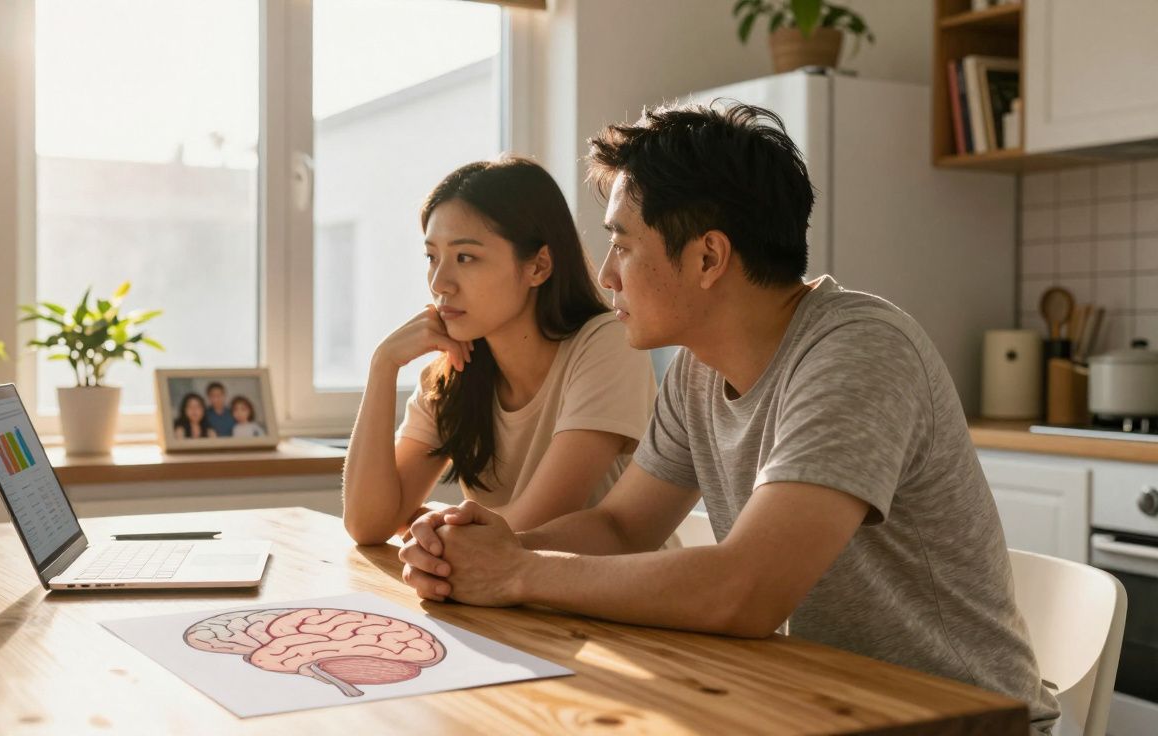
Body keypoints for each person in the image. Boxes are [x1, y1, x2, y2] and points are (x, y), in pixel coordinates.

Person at [395, 104, 1059, 733]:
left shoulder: (860, 350)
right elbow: (622, 526)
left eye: (622, 246)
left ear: (708, 257)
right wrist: (483, 552)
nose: (605, 276)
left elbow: (747, 589)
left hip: (956, 721)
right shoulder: (697, 369)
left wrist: (516, 573)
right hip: (820, 703)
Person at [342, 155, 657, 545]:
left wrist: (436, 525)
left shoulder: (606, 344)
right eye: (431, 257)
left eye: (465, 257)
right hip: (494, 598)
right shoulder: (453, 370)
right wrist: (383, 365)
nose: (440, 283)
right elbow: (366, 525)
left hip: (608, 600)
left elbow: (533, 525)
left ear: (539, 266)